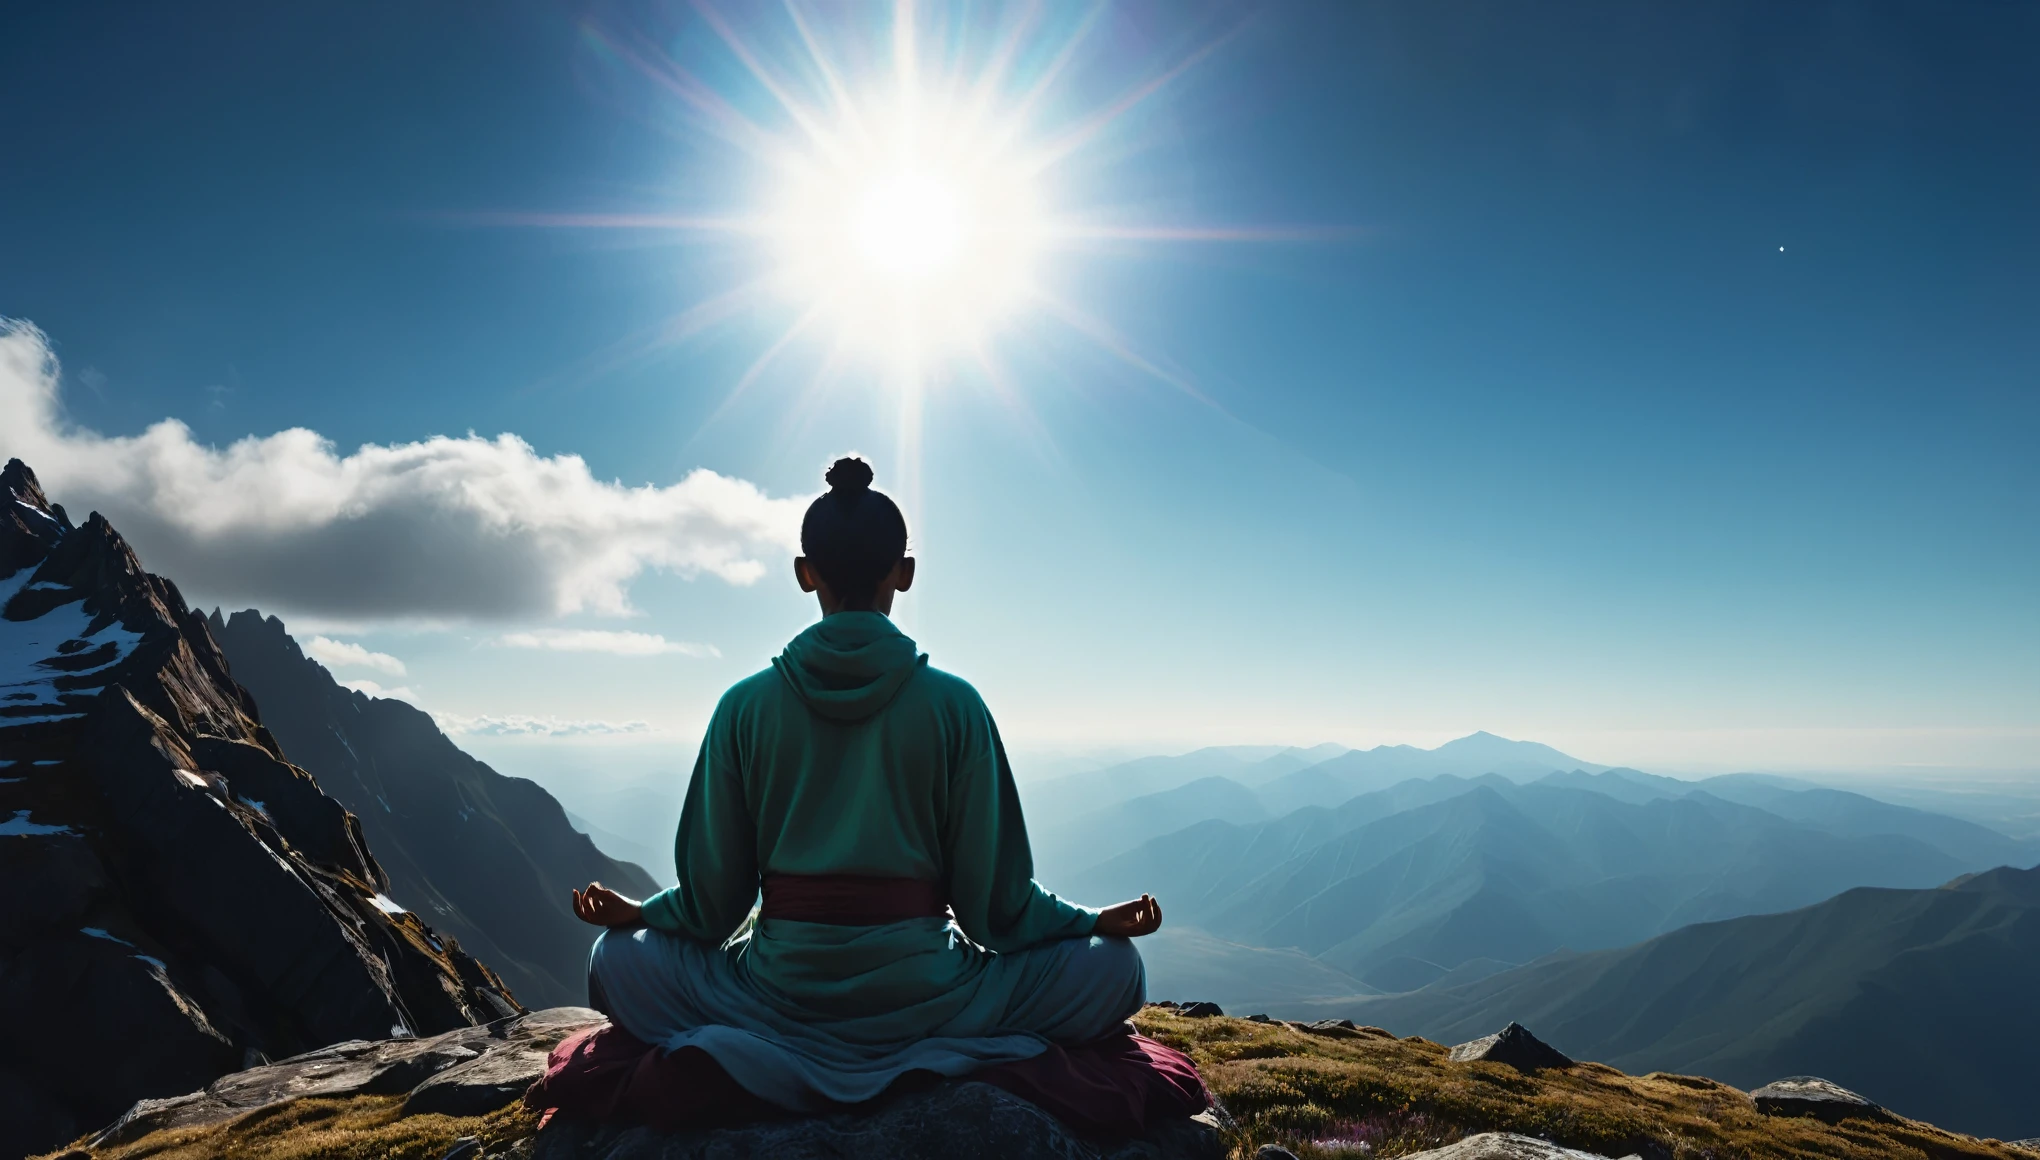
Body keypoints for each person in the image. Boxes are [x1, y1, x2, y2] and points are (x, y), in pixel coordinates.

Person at [570, 456, 1163, 1113]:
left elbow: (714, 907)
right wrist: (1093, 922)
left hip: (775, 996)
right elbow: (995, 909)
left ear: (804, 575)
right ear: (904, 574)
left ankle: (764, 1054)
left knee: (615, 958)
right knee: (1115, 968)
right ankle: (919, 1054)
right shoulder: (954, 706)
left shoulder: (744, 707)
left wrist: (642, 915)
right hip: (931, 1001)